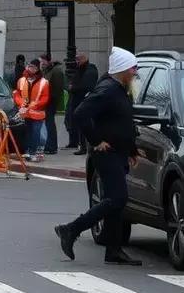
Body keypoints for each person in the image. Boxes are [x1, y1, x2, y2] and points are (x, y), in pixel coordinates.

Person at [55, 47, 143, 266]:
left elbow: (122, 123)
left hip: (118, 152)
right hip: (107, 154)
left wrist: (131, 149)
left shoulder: (121, 89)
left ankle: (113, 250)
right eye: (133, 68)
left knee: (114, 201)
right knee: (117, 198)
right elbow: (80, 114)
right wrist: (96, 141)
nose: (135, 72)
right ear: (123, 69)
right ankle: (71, 229)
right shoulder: (107, 89)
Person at [13, 60, 50, 162]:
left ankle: (32, 152)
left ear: (38, 69)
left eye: (34, 67)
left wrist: (33, 105)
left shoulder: (44, 82)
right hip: (26, 112)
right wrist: (21, 104)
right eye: (30, 66)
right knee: (28, 132)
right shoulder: (21, 80)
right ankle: (28, 152)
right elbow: (17, 94)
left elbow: (45, 98)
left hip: (37, 113)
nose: (31, 69)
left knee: (36, 133)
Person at [66, 53, 99, 155]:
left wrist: (73, 88)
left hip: (83, 102)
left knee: (84, 125)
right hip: (78, 101)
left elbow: (85, 86)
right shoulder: (82, 70)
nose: (77, 62)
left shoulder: (89, 71)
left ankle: (84, 147)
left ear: (83, 60)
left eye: (78, 60)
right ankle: (79, 144)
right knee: (77, 124)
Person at [42, 54, 66, 155]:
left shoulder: (55, 71)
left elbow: (56, 88)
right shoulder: (48, 70)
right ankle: (50, 145)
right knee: (48, 123)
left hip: (51, 101)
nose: (41, 64)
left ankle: (51, 146)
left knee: (50, 123)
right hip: (48, 100)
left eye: (42, 62)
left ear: (47, 61)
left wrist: (50, 99)